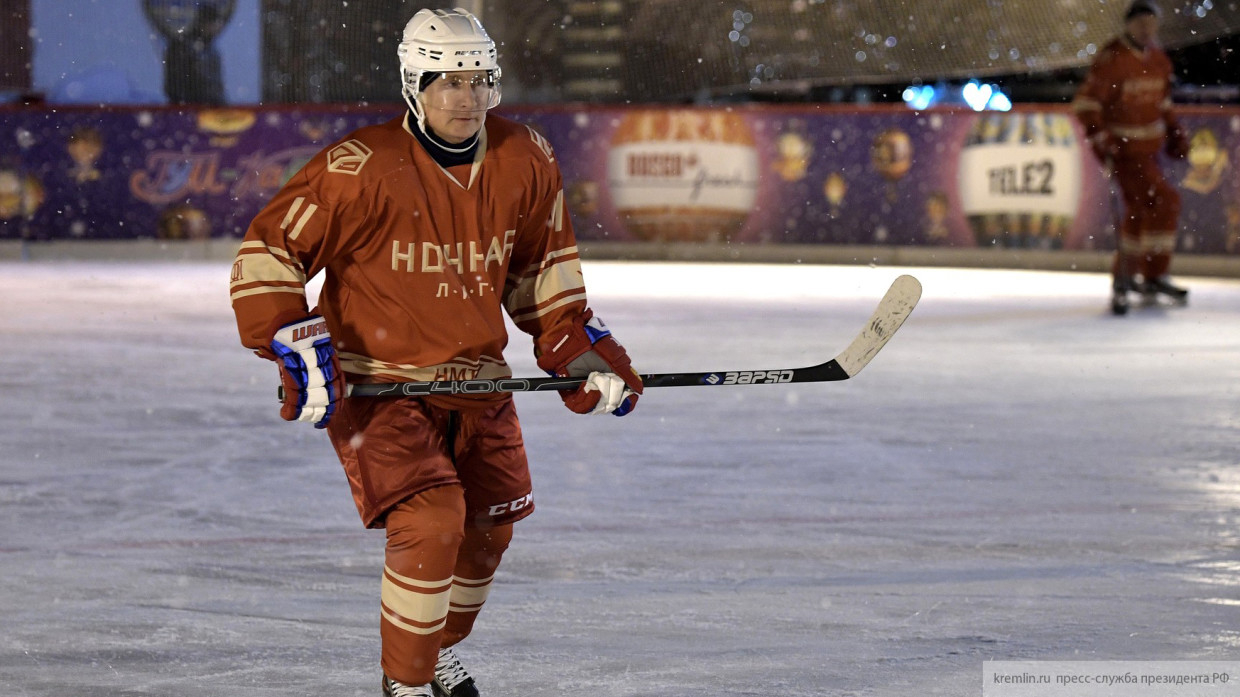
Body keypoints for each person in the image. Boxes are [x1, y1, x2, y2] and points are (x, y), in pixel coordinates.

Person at [227, 8, 643, 697]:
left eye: (478, 80)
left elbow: (541, 277)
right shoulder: (358, 167)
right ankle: (407, 684)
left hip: (482, 387)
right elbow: (267, 253)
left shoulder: (526, 157)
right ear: (412, 86)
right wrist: (289, 336)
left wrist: (579, 349)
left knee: (488, 532)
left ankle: (436, 649)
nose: (465, 97)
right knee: (431, 519)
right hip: (378, 388)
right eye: (446, 81)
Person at [1072, 0, 1190, 315]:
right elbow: (1086, 103)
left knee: (1143, 209)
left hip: (1149, 152)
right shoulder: (1113, 59)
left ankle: (1135, 276)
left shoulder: (1158, 60)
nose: (1146, 28)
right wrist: (1102, 138)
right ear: (1128, 25)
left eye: (1150, 22)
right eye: (1140, 22)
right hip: (1125, 153)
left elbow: (1162, 103)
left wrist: (1175, 131)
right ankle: (1148, 274)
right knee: (1163, 200)